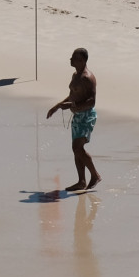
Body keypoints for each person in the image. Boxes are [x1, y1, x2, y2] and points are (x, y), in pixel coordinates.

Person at [45, 47, 100, 193]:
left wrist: (72, 106)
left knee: (77, 148)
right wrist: (58, 106)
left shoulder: (88, 78)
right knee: (76, 150)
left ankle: (95, 175)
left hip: (86, 116)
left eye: (74, 58)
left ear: (82, 60)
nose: (70, 60)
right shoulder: (75, 75)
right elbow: (72, 95)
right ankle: (81, 181)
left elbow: (92, 102)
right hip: (77, 115)